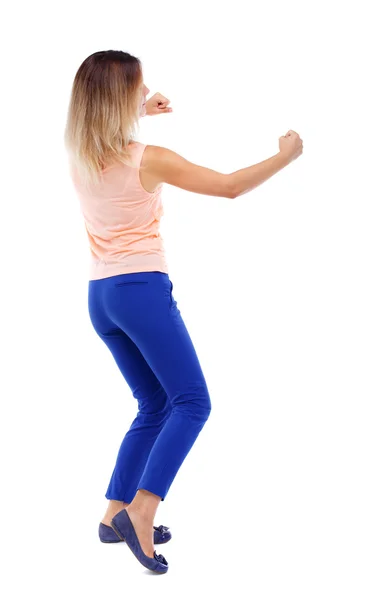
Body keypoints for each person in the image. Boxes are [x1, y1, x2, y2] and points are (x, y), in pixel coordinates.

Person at [64, 49, 303, 574]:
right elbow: (229, 187)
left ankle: (112, 515)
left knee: (153, 404)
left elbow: (110, 133)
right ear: (119, 98)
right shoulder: (151, 158)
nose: (146, 92)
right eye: (139, 87)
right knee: (193, 403)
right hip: (141, 290)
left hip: (101, 297)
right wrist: (285, 155)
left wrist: (140, 107)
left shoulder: (79, 150)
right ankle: (142, 512)